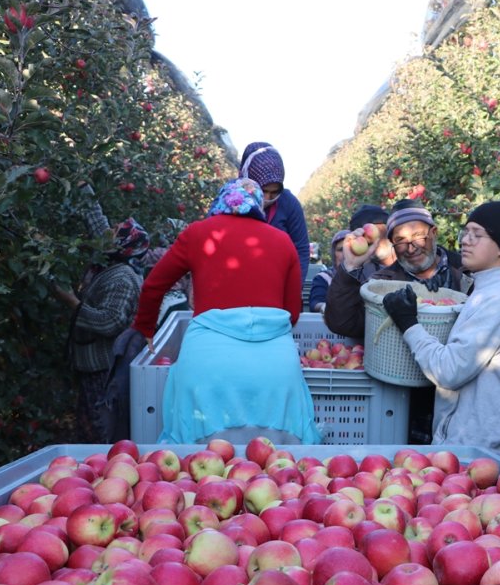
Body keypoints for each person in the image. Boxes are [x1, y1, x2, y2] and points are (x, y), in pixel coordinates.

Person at [132, 178, 322, 445]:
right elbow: (291, 313)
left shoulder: (197, 234)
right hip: (274, 369)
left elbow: (153, 285)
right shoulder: (283, 241)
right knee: (280, 467)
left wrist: (146, 327)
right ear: (258, 205)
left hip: (207, 363)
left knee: (198, 467)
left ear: (221, 200)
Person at [381, 201, 500, 458]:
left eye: (478, 234)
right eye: (466, 231)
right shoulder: (486, 291)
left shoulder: (496, 299)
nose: (466, 240)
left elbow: (450, 371)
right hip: (474, 444)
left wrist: (409, 324)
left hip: (478, 451)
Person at [55, 197, 150, 443]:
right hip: (89, 364)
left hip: (103, 369)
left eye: (116, 230)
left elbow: (111, 321)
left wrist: (72, 302)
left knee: (98, 427)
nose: (109, 229)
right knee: (87, 422)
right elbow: (97, 222)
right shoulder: (109, 259)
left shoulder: (123, 278)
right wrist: (82, 186)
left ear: (122, 243)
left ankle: (101, 470)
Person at [323, 203, 474, 340]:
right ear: (392, 244)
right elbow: (343, 324)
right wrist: (350, 265)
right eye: (401, 240)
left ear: (434, 233)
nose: (411, 248)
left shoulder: (468, 272)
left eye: (418, 236)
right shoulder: (382, 283)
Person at [239, 141, 311, 282]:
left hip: (277, 280)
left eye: (274, 192)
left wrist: (295, 287)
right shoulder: (231, 200)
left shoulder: (289, 204)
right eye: (263, 190)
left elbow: (301, 249)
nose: (267, 197)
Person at [308, 229, 349, 314]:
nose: (345, 254)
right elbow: (315, 303)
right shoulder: (324, 277)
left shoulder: (366, 276)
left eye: (349, 249)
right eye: (340, 249)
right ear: (334, 253)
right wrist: (324, 306)